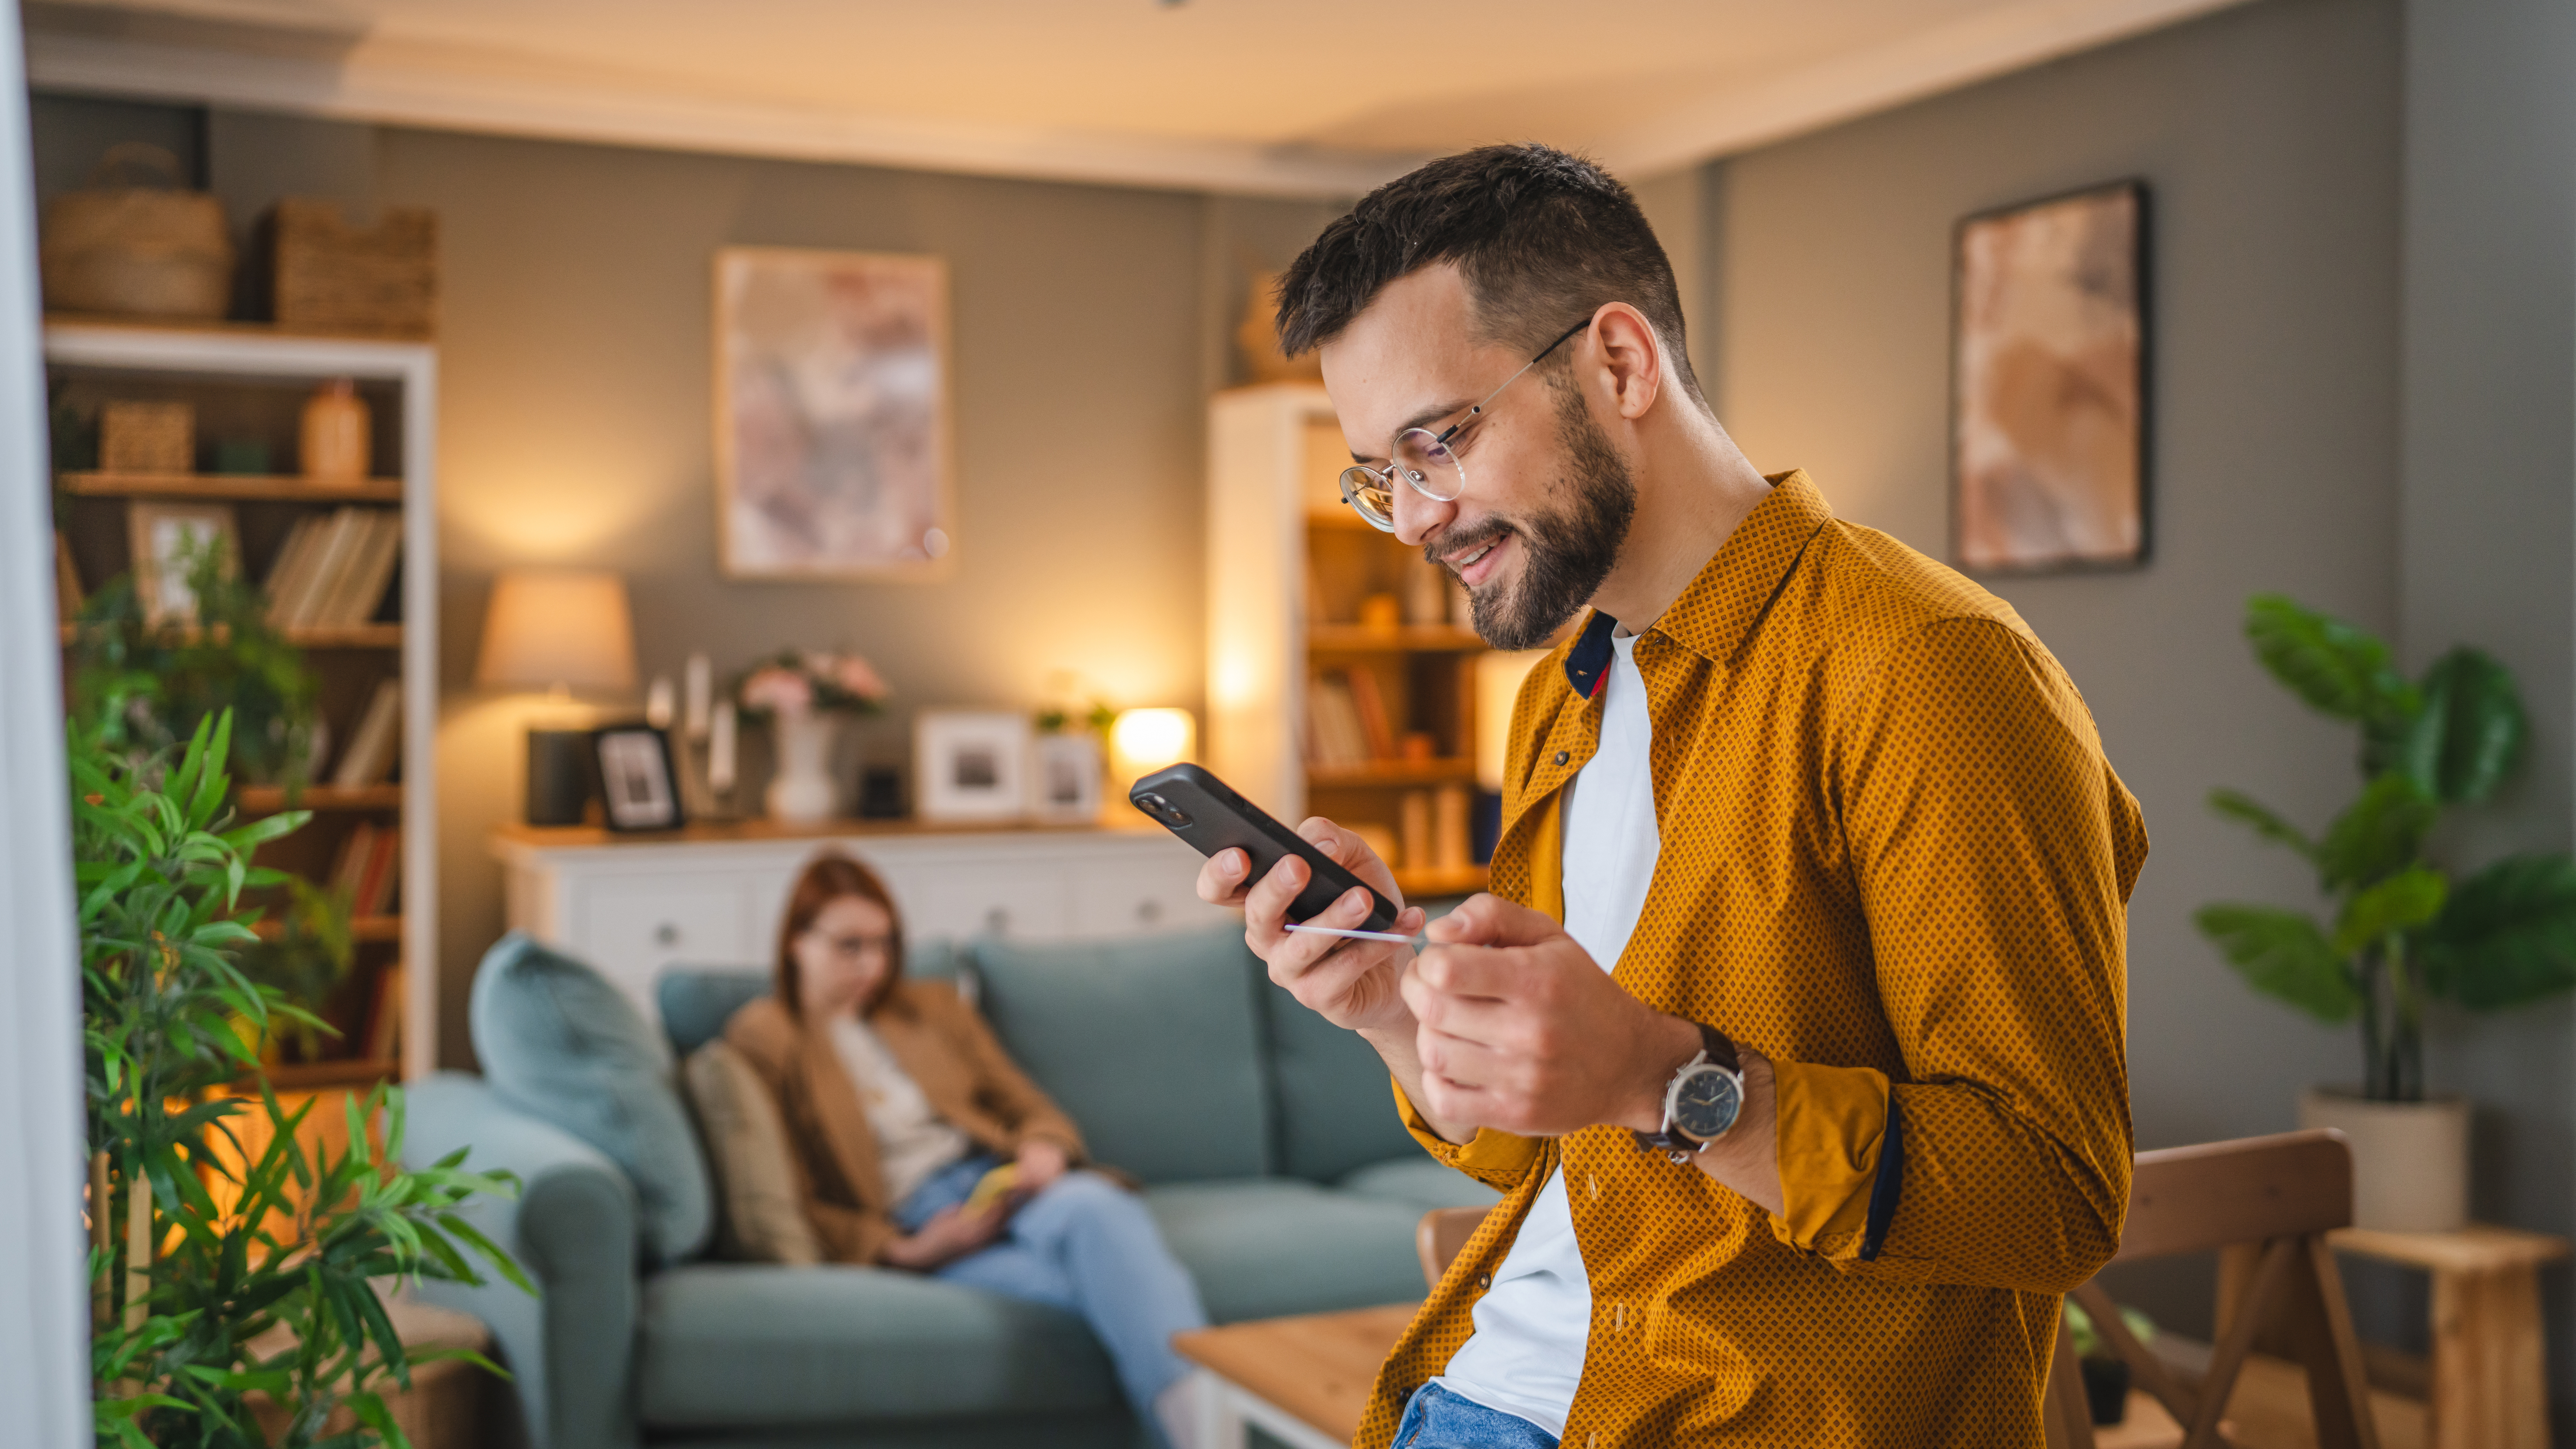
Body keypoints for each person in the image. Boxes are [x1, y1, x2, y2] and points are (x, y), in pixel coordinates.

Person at [1199, 144, 2147, 1448]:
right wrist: (1384, 1012)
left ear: (1621, 365)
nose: (1414, 518)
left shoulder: (1923, 671)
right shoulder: (1562, 698)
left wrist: (1667, 1078)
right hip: (1472, 1394)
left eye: (1438, 442)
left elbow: (2051, 1196)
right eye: (1380, 476)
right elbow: (1544, 1143)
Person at [726, 850, 1211, 1447]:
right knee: (1105, 1289)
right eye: (850, 946)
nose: (873, 966)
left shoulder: (931, 1007)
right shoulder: (766, 1039)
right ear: (797, 941)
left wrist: (1044, 1150)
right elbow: (798, 1197)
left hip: (1006, 1182)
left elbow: (1029, 1107)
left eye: (884, 945)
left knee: (1096, 1211)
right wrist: (909, 1252)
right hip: (930, 1222)